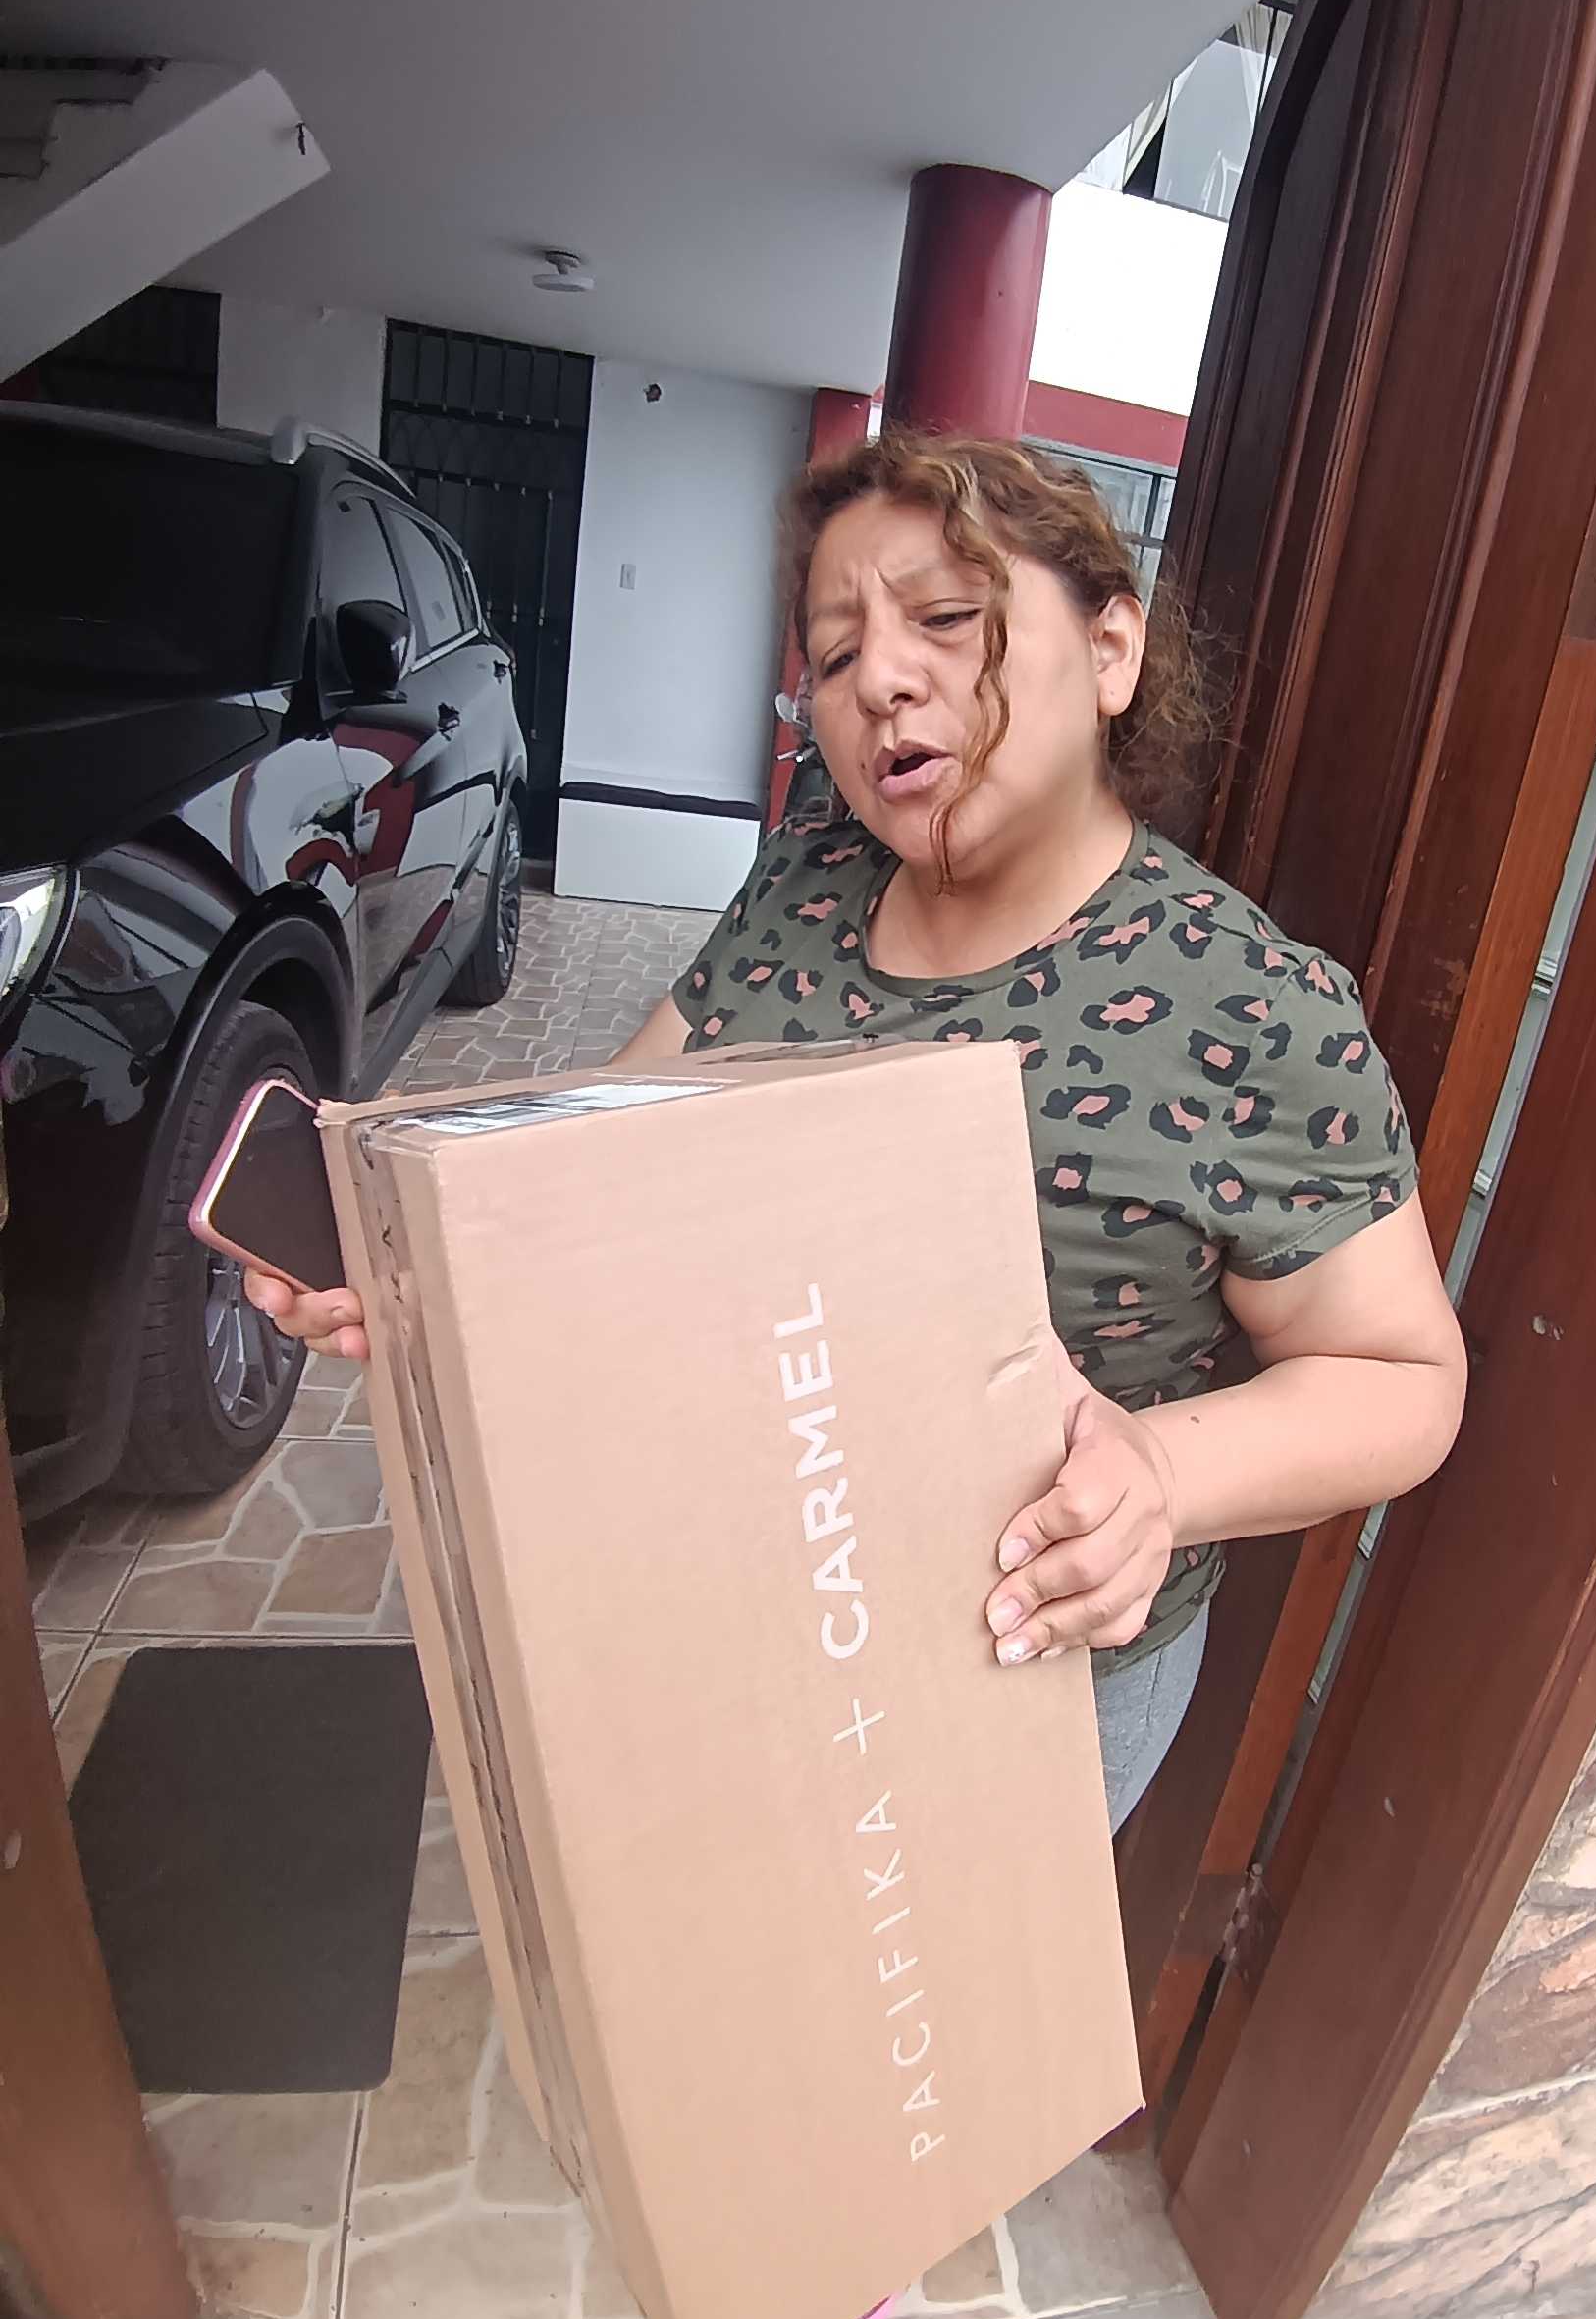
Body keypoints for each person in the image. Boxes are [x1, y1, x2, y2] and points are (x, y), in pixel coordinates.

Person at [245, 429, 1466, 1836]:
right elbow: (610, 1144)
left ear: (1111, 650)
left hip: (1016, 1669)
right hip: (745, 1597)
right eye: (833, 656)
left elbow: (1403, 1380)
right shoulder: (810, 879)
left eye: (945, 616)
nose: (879, 679)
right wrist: (427, 1237)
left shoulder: (1252, 1007)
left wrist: (1162, 1477)